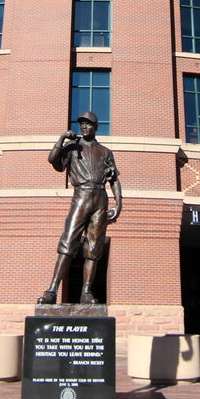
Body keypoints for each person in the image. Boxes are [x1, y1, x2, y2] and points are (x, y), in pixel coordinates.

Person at [38, 111, 122, 305]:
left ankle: (86, 292)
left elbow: (114, 179)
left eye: (89, 124)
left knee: (93, 248)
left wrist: (119, 202)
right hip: (81, 196)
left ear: (96, 127)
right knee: (68, 243)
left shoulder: (105, 151)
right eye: (82, 124)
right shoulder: (72, 147)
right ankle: (52, 290)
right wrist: (61, 139)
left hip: (100, 198)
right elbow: (52, 160)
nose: (84, 127)